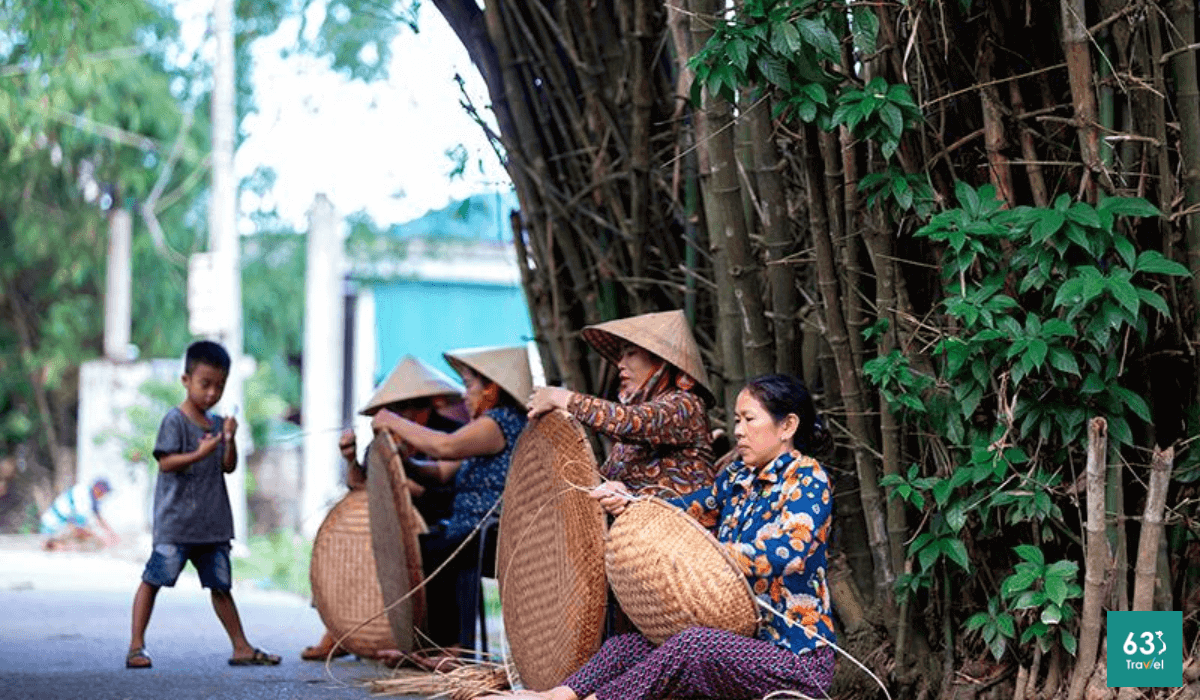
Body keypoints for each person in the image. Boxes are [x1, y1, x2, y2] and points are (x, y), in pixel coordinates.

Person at [489, 374, 836, 700]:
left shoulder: (808, 479)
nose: (739, 431)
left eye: (750, 419)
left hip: (794, 658)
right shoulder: (736, 478)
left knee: (693, 645)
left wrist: (712, 558)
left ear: (787, 426)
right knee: (627, 646)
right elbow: (688, 509)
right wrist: (631, 502)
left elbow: (789, 552)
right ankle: (557, 696)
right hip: (741, 644)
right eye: (736, 420)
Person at [125, 340, 280, 670]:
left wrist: (229, 439)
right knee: (153, 580)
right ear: (186, 380)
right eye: (204, 384)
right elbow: (166, 463)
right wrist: (200, 452)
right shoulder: (174, 421)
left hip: (212, 524)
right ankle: (137, 646)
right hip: (177, 523)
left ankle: (241, 646)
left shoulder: (215, 424)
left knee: (221, 587)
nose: (212, 393)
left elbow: (228, 466)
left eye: (219, 386)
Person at [301, 354, 466, 662]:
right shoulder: (383, 440)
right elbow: (361, 488)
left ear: (432, 403)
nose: (409, 415)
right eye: (400, 409)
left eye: (416, 406)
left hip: (435, 518)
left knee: (421, 546)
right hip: (386, 521)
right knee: (346, 543)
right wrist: (351, 458)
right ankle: (337, 629)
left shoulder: (450, 433)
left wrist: (404, 474)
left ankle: (423, 641)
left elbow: (442, 483)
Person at [371, 344, 531, 659]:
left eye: (471, 385)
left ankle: (455, 647)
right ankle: (437, 643)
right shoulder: (484, 426)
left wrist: (395, 421)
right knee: (429, 545)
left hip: (492, 531)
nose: (466, 394)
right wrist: (403, 461)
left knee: (438, 549)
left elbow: (445, 447)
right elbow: (442, 472)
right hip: (470, 528)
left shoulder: (500, 422)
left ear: (492, 389)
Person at [526, 310, 716, 498]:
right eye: (621, 356)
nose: (620, 364)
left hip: (677, 525)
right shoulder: (631, 433)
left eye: (631, 353)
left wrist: (561, 398)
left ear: (661, 363)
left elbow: (630, 422)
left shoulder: (686, 405)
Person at [40, 477, 117, 551]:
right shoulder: (83, 496)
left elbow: (98, 517)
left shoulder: (91, 495)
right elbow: (81, 524)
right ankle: (54, 544)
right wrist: (102, 540)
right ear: (97, 490)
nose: (103, 496)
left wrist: (112, 535)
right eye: (103, 493)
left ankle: (56, 544)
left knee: (88, 536)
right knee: (87, 538)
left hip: (57, 524)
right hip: (52, 527)